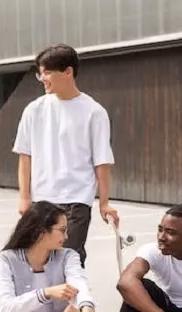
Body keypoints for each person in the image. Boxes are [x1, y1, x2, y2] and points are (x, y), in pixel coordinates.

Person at [12, 43, 118, 268]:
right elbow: (25, 155)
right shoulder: (34, 110)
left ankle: (72, 292)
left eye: (47, 72)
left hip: (76, 201)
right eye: (40, 74)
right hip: (41, 199)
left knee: (69, 259)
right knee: (39, 260)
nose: (42, 78)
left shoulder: (94, 112)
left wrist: (104, 203)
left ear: (68, 71)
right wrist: (24, 197)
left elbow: (101, 161)